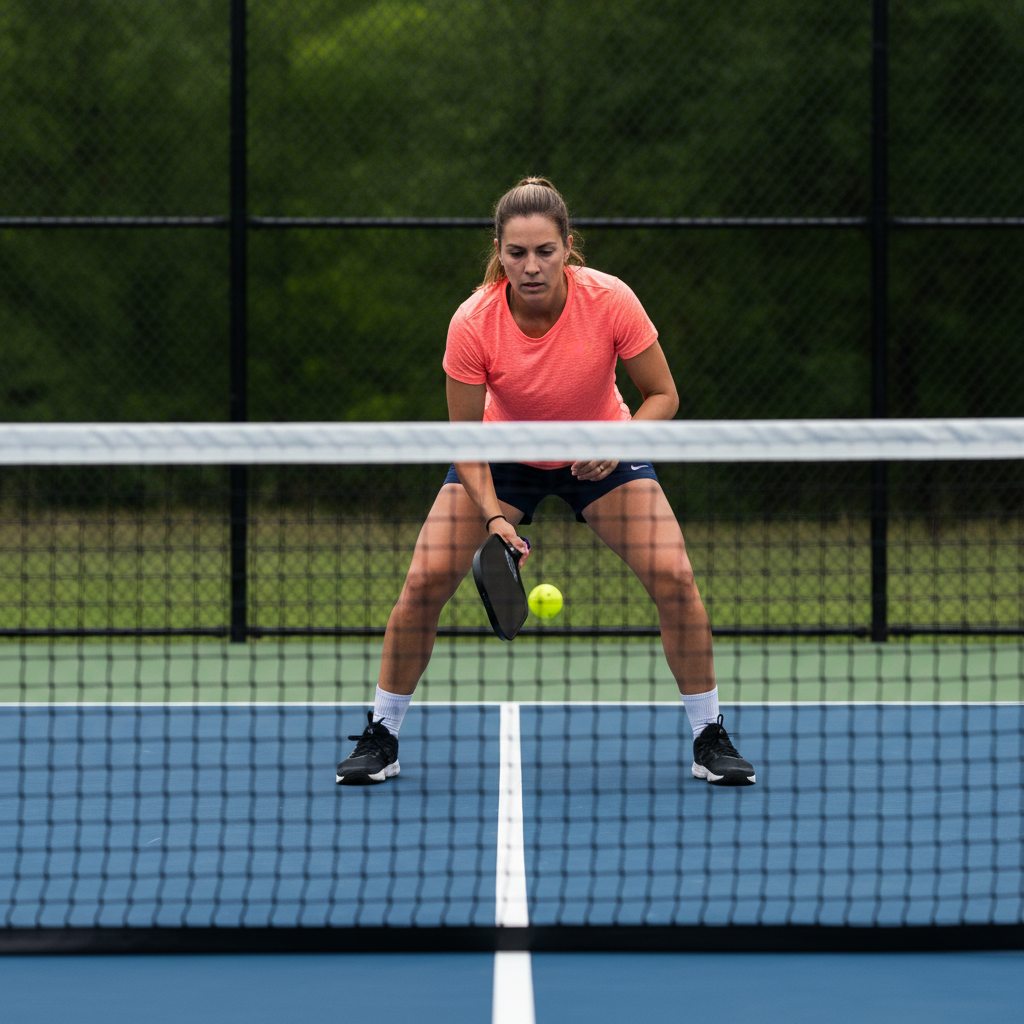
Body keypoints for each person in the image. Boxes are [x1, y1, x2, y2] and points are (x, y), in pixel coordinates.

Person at [336, 178, 755, 787]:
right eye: (516, 253)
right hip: (502, 456)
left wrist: (618, 444)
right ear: (499, 252)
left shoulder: (610, 301)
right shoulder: (473, 321)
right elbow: (466, 439)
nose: (531, 267)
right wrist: (494, 517)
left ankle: (708, 735)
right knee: (424, 581)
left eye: (544, 252)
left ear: (567, 248)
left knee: (675, 575)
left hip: (601, 455)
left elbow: (663, 396)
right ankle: (383, 733)